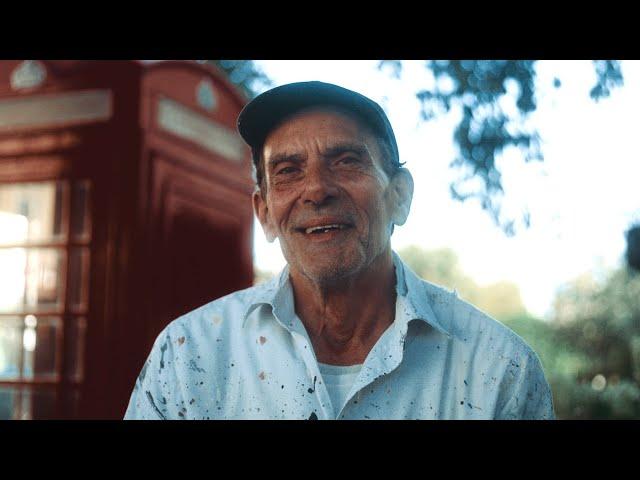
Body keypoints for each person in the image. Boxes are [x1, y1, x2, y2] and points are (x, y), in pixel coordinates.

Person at [124, 81, 554, 420]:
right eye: (288, 171)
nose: (316, 189)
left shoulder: (499, 370)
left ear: (400, 197)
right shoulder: (187, 354)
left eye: (347, 161)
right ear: (265, 213)